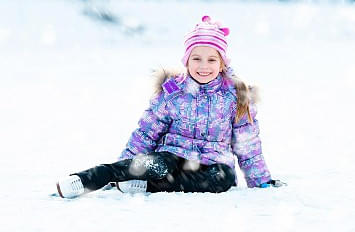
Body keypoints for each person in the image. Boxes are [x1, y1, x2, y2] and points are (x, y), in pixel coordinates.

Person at [56, 15, 285, 199]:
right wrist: (125, 164)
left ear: (223, 63)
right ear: (186, 61)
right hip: (172, 155)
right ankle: (85, 180)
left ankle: (148, 186)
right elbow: (146, 133)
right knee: (147, 165)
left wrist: (260, 181)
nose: (203, 66)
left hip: (213, 164)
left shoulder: (235, 96)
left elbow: (247, 145)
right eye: (196, 59)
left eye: (211, 60)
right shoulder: (173, 93)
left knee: (221, 181)